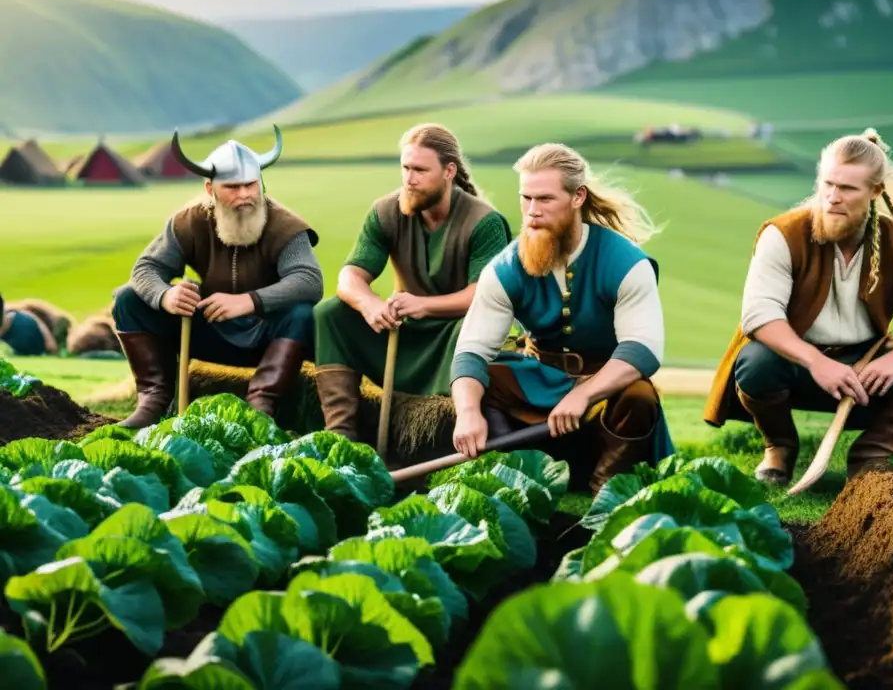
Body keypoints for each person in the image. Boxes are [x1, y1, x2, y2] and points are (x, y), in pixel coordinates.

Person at [703, 128, 893, 484]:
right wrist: (816, 362)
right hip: (798, 364)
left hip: (867, 373)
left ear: (875, 192)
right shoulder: (782, 235)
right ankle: (780, 446)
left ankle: (873, 452)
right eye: (828, 184)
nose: (833, 197)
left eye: (847, 189)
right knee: (756, 361)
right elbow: (759, 315)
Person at [448, 143, 675, 496]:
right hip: (541, 379)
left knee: (639, 395)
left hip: (606, 382)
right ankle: (514, 471)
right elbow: (471, 352)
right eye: (526, 198)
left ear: (577, 197)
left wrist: (585, 393)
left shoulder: (627, 263)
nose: (532, 212)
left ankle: (606, 484)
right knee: (481, 381)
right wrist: (466, 413)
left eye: (545, 199)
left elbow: (642, 351)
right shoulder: (505, 268)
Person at [111, 126, 323, 428]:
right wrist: (166, 296)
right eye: (233, 188)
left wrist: (248, 302)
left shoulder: (285, 226)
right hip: (210, 329)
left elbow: (309, 280)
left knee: (303, 314)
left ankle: (261, 407)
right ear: (211, 190)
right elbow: (145, 270)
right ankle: (154, 400)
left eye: (251, 185)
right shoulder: (188, 221)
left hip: (270, 336)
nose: (245, 195)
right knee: (127, 298)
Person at [313, 123, 512, 439]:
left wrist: (423, 305)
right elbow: (350, 276)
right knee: (329, 313)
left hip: (454, 333)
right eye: (405, 167)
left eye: (420, 170)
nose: (409, 178)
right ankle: (340, 432)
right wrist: (369, 304)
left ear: (449, 171)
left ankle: (446, 430)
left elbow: (484, 296)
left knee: (470, 330)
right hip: (402, 331)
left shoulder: (484, 222)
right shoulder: (385, 212)